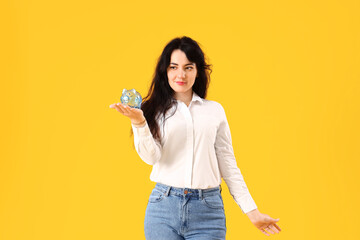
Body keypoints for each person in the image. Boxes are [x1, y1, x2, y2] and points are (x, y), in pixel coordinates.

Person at [110, 36, 281, 239]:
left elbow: (228, 164)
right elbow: (151, 158)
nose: (180, 74)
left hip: (208, 212)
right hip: (163, 209)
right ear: (165, 71)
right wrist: (139, 123)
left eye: (188, 67)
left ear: (197, 70)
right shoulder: (153, 111)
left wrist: (252, 212)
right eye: (173, 67)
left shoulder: (214, 111)